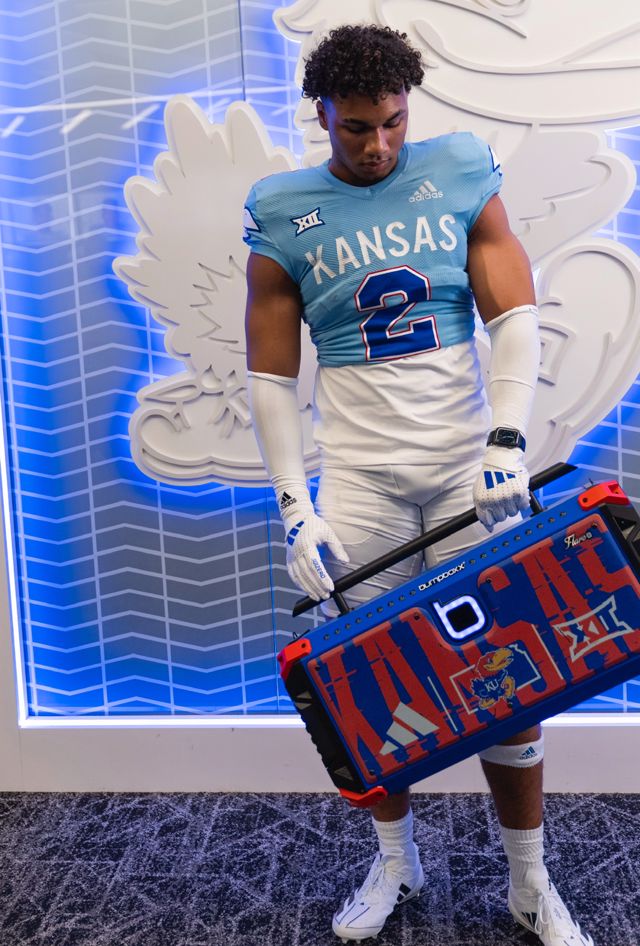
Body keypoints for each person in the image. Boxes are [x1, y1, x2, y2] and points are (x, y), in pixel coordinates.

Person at [243, 24, 593, 946]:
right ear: (322, 114)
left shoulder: (458, 169)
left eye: (394, 122)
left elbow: (515, 313)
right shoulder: (282, 208)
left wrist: (508, 440)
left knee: (510, 679)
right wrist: (295, 509)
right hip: (360, 481)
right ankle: (397, 862)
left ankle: (530, 880)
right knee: (366, 690)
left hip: (464, 470)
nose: (379, 144)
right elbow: (271, 376)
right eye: (357, 126)